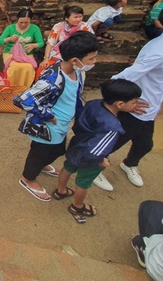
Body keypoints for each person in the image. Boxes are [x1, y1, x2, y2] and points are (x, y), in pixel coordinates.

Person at [109, 2, 163, 188]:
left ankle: (129, 164)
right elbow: (124, 76)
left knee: (144, 144)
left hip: (150, 106)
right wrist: (119, 101)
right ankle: (94, 168)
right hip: (137, 108)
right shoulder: (158, 52)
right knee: (114, 142)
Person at [14, 32, 100, 201]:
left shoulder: (75, 72)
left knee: (58, 150)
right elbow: (22, 100)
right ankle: (28, 178)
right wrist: (47, 115)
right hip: (47, 127)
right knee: (38, 154)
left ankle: (44, 164)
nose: (94, 62)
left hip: (60, 126)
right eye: (91, 59)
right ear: (75, 60)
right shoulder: (53, 79)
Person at [54, 79, 142, 223]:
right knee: (83, 182)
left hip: (76, 145)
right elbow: (94, 152)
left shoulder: (94, 103)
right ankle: (77, 206)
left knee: (67, 167)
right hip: (89, 158)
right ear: (119, 104)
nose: (135, 105)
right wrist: (101, 161)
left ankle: (61, 191)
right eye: (133, 103)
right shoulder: (112, 126)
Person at [0, 8, 44, 87]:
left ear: (30, 21)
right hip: (10, 53)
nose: (23, 25)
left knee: (29, 68)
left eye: (26, 22)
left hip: (27, 55)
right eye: (21, 22)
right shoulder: (10, 28)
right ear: (17, 19)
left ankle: (24, 88)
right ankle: (12, 87)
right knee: (14, 67)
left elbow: (41, 43)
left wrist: (34, 45)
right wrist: (9, 39)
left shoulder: (34, 28)